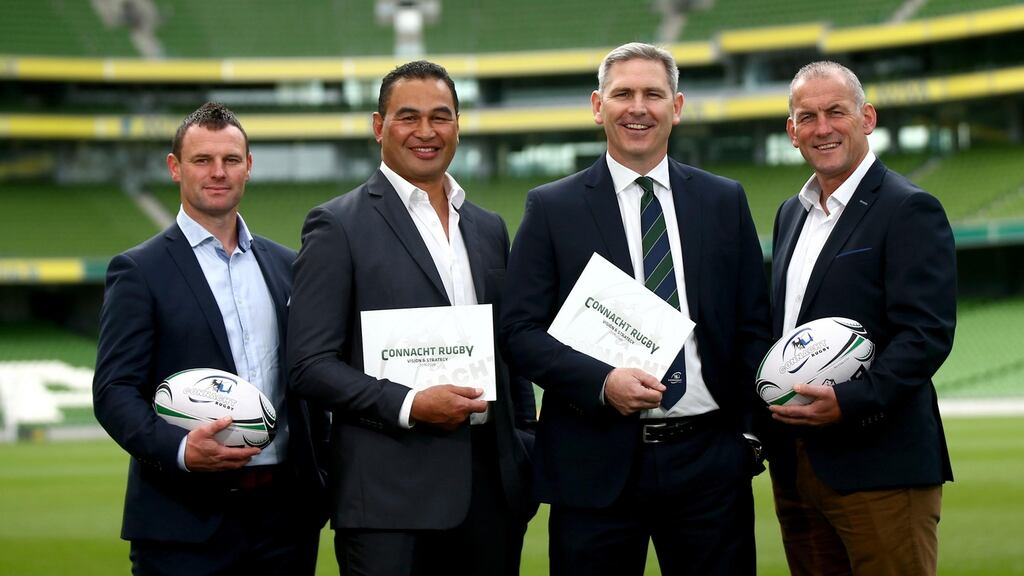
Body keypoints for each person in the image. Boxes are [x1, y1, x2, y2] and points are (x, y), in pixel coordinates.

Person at [499, 42, 771, 576]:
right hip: (592, 463)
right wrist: (602, 382)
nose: (638, 107)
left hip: (709, 463)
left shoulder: (724, 200)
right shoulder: (551, 207)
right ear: (598, 105)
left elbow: (752, 325)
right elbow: (518, 332)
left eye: (653, 94)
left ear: (678, 106)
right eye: (623, 94)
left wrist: (747, 437)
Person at [287, 60, 536, 576]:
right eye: (408, 117)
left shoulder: (489, 227)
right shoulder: (337, 225)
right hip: (388, 503)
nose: (426, 132)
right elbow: (309, 365)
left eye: (441, 117)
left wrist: (524, 449)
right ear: (379, 127)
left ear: (458, 126)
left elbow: (508, 352)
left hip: (491, 495)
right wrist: (409, 403)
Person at [92, 102, 328, 575]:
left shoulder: (287, 266)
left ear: (248, 167)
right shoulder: (139, 270)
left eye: (231, 160)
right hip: (182, 520)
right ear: (175, 168)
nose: (218, 172)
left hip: (285, 518)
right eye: (202, 160)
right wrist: (180, 450)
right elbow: (114, 391)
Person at [766, 61, 956, 575]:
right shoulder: (791, 213)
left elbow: (927, 333)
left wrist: (850, 401)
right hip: (798, 465)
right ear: (791, 131)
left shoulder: (909, 208)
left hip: (880, 464)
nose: (821, 128)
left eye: (836, 112)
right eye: (806, 117)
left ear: (867, 117)